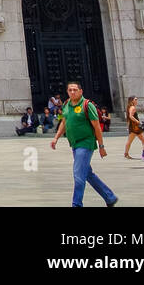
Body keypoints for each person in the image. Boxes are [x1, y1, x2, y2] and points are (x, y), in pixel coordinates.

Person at [50, 80, 117, 208]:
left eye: (75, 90)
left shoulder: (87, 105)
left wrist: (102, 146)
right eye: (70, 90)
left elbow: (97, 127)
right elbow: (64, 122)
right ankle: (110, 197)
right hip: (74, 144)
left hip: (86, 143)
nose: (72, 92)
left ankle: (76, 204)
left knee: (78, 175)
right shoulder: (66, 104)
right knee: (87, 174)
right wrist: (56, 138)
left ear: (81, 91)